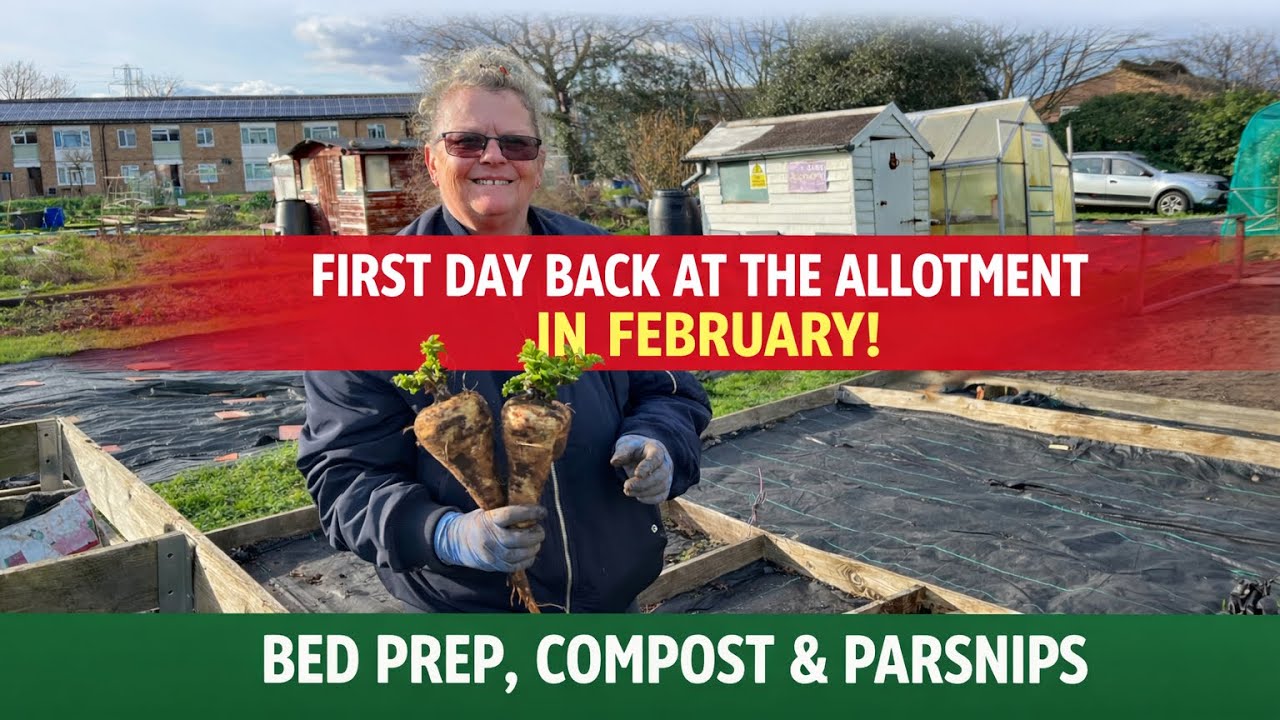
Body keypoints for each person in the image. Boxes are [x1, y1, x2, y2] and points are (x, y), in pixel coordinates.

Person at [296, 47, 712, 613]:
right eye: (467, 141)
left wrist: (661, 442)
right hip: (464, 612)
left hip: (612, 596)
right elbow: (342, 473)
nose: (494, 158)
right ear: (431, 159)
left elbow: (669, 390)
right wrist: (444, 533)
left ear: (538, 163)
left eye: (516, 143)